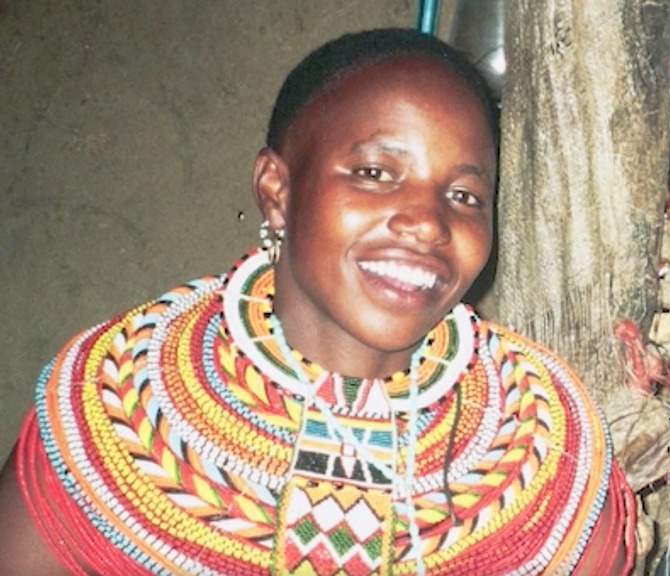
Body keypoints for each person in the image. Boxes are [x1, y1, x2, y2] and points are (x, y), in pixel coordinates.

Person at [0, 28, 636, 575]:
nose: (427, 222)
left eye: (465, 196)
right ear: (277, 190)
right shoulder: (116, 400)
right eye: (375, 173)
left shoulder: (547, 448)